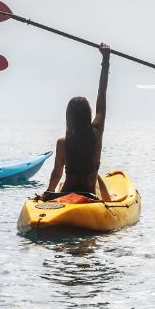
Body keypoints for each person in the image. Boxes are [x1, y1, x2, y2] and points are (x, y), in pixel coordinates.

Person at [43, 43, 114, 201]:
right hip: (89, 197)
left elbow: (57, 173)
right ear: (88, 114)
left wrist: (47, 193)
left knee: (61, 185)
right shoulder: (96, 133)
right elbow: (102, 91)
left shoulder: (63, 142)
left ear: (68, 118)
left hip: (66, 195)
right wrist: (106, 59)